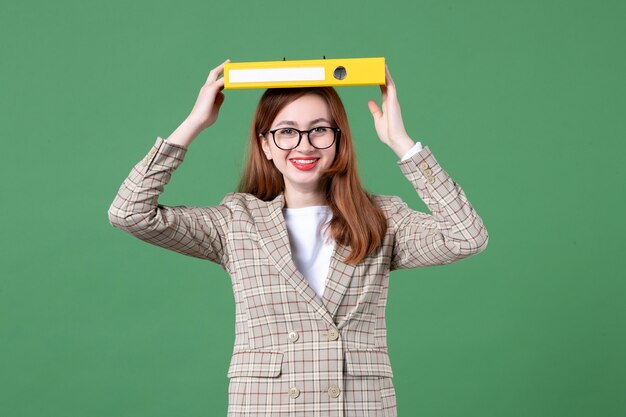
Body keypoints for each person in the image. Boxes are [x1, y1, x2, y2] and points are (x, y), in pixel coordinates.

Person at [108, 59, 489, 417]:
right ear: (265, 144)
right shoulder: (236, 221)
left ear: (339, 140)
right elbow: (129, 213)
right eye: (286, 131)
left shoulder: (381, 218)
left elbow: (466, 237)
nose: (303, 145)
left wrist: (402, 144)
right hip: (267, 405)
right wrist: (194, 122)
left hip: (358, 406)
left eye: (319, 130)